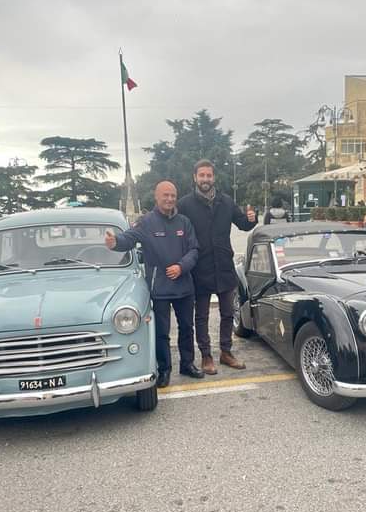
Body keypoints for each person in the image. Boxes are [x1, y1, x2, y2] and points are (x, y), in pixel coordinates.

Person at [105, 181, 203, 388]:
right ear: (157, 197)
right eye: (165, 195)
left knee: (187, 328)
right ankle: (164, 369)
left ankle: (187, 364)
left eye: (173, 196)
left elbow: (194, 250)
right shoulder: (147, 222)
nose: (169, 199)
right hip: (160, 289)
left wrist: (181, 266)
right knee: (161, 332)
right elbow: (128, 239)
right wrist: (115, 243)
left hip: (184, 286)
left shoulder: (184, 222)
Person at [177, 159, 257, 375]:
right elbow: (173, 226)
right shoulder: (185, 204)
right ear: (195, 177)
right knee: (201, 316)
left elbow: (243, 224)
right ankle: (206, 355)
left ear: (214, 177)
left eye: (209, 175)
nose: (205, 179)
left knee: (228, 313)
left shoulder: (226, 202)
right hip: (199, 267)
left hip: (223, 265)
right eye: (201, 175)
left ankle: (226, 352)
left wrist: (252, 218)